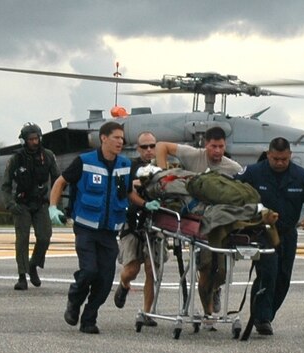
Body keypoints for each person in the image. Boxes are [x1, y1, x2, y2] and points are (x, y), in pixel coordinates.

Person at [49, 121, 131, 334]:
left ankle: (89, 319)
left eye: (122, 138)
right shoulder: (84, 162)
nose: (120, 142)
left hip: (110, 231)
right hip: (86, 228)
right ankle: (74, 300)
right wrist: (52, 207)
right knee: (89, 271)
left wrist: (145, 203)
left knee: (105, 280)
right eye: (116, 137)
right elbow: (60, 182)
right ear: (103, 138)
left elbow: (129, 192)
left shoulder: (125, 165)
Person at [235, 137, 304, 336]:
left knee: (283, 277)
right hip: (261, 231)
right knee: (268, 272)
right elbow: (232, 188)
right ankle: (261, 317)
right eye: (276, 159)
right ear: (268, 155)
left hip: (287, 233)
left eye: (284, 159)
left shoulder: (301, 176)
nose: (280, 162)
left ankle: (266, 314)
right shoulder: (253, 172)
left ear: (290, 156)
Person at [154, 126, 242, 317]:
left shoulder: (233, 168)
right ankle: (208, 313)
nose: (217, 151)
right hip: (197, 224)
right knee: (206, 268)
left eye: (220, 146)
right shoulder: (193, 155)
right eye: (213, 146)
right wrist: (161, 175)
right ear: (205, 145)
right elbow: (161, 146)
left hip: (221, 224)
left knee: (222, 273)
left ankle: (215, 290)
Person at [112, 131, 163, 326]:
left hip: (156, 224)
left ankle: (147, 312)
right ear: (137, 148)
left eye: (152, 146)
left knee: (152, 270)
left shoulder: (162, 166)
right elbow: (122, 188)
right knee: (131, 270)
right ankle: (124, 285)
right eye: (145, 147)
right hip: (133, 222)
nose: (149, 150)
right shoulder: (128, 167)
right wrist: (141, 182)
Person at [1, 123, 60, 290]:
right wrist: (10, 204)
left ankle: (34, 264)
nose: (34, 142)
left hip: (41, 203)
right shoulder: (16, 159)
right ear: (24, 141)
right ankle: (22, 276)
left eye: (37, 138)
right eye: (31, 139)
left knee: (44, 236)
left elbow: (58, 180)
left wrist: (56, 204)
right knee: (22, 240)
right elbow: (5, 185)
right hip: (22, 204)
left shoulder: (47, 156)